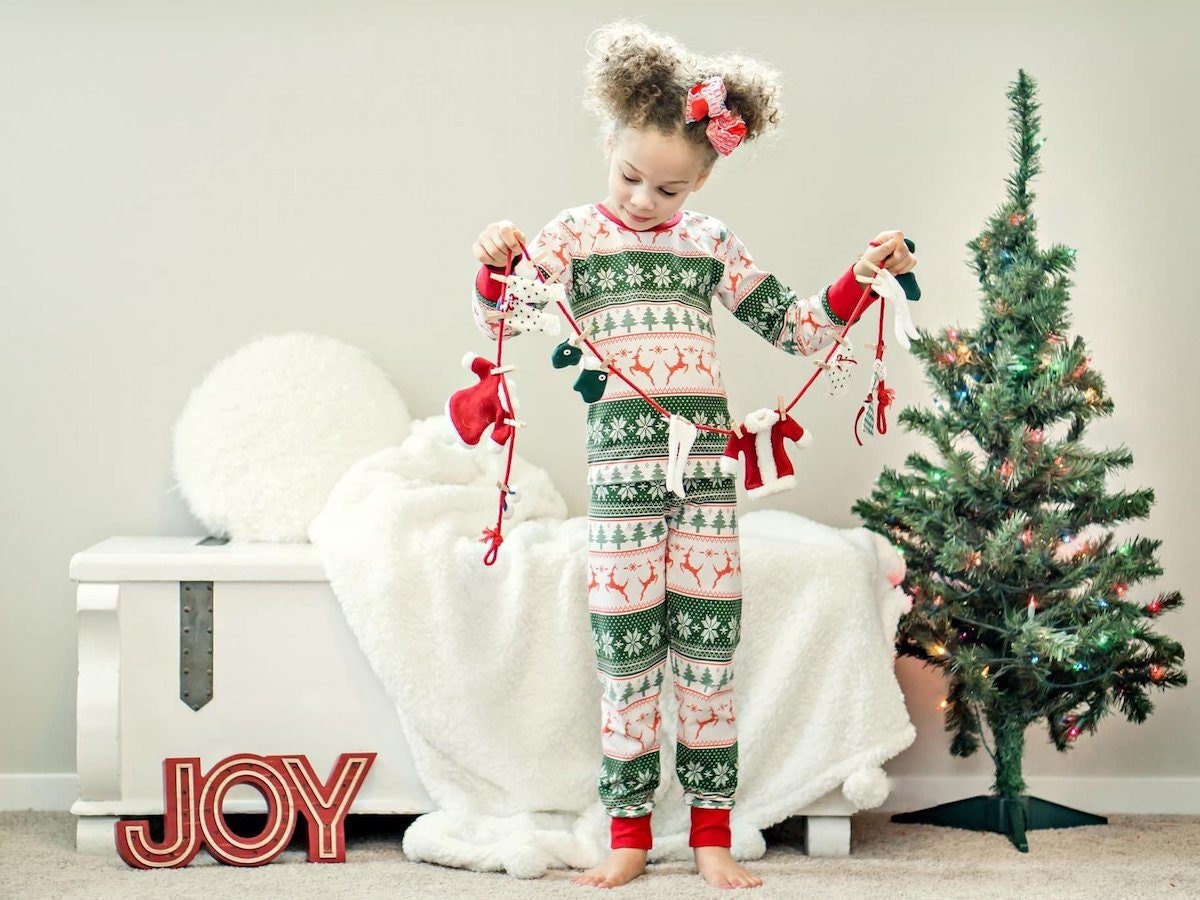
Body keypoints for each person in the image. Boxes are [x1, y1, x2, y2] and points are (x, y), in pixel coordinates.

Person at [469, 21, 916, 890]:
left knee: (709, 652)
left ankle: (713, 828)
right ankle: (629, 830)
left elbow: (796, 324)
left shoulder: (709, 241)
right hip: (623, 479)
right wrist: (496, 262)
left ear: (703, 178)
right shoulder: (575, 237)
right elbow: (515, 316)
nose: (644, 199)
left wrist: (860, 275)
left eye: (668, 188)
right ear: (608, 145)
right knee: (626, 653)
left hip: (708, 475)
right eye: (630, 176)